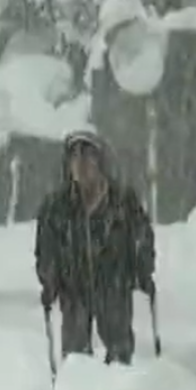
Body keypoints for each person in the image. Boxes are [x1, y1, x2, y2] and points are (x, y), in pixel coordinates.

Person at [34, 131, 156, 365]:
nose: (80, 163)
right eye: (74, 156)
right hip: (73, 289)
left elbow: (142, 238)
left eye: (88, 155)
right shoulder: (56, 207)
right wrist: (49, 280)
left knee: (119, 354)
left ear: (100, 161)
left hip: (114, 286)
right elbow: (46, 249)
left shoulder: (122, 201)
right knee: (75, 359)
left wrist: (143, 270)